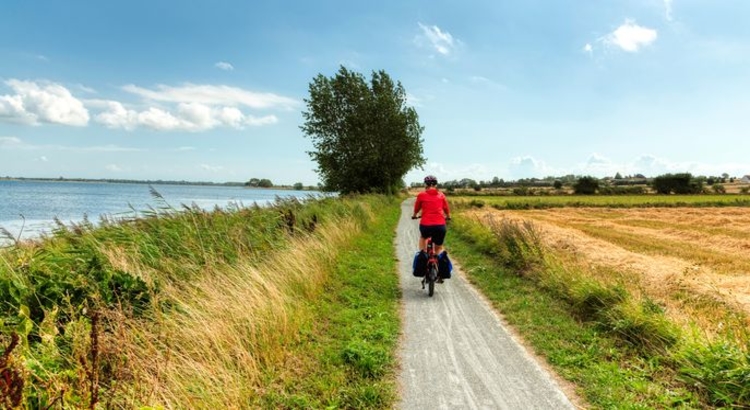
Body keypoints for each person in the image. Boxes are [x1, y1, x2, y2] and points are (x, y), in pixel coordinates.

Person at [412, 175, 450, 256]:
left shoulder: (421, 195)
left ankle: (423, 255)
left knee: (423, 237)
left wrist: (414, 215)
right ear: (436, 185)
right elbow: (446, 208)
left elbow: (417, 207)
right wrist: (448, 216)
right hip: (440, 226)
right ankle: (437, 261)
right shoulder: (441, 195)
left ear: (426, 184)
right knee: (438, 248)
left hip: (426, 225)